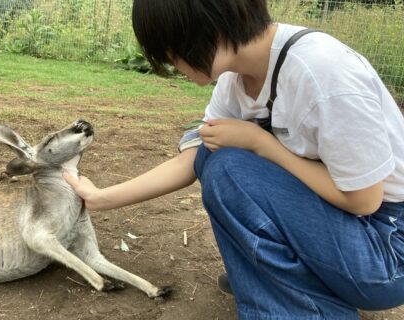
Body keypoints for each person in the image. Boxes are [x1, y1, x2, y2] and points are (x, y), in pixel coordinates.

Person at [64, 0, 404, 318]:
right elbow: (195, 158)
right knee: (217, 160)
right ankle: (276, 281)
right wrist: (101, 198)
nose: (169, 62)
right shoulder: (237, 79)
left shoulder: (324, 73)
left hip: (388, 251)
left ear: (207, 27)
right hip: (354, 233)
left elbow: (364, 199)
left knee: (231, 169)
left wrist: (261, 144)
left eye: (170, 48)